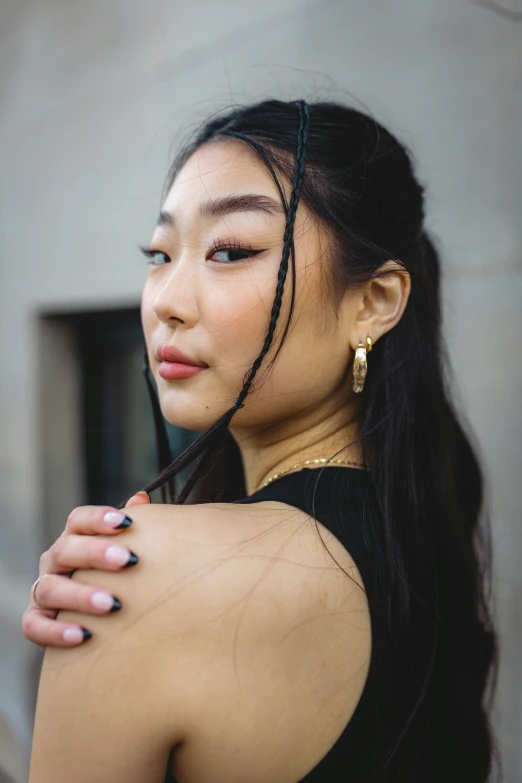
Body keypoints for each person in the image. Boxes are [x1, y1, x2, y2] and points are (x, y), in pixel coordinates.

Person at [23, 98, 500, 782]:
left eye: (232, 250)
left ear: (374, 301)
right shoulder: (422, 533)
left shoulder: (137, 576)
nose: (165, 301)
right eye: (159, 253)